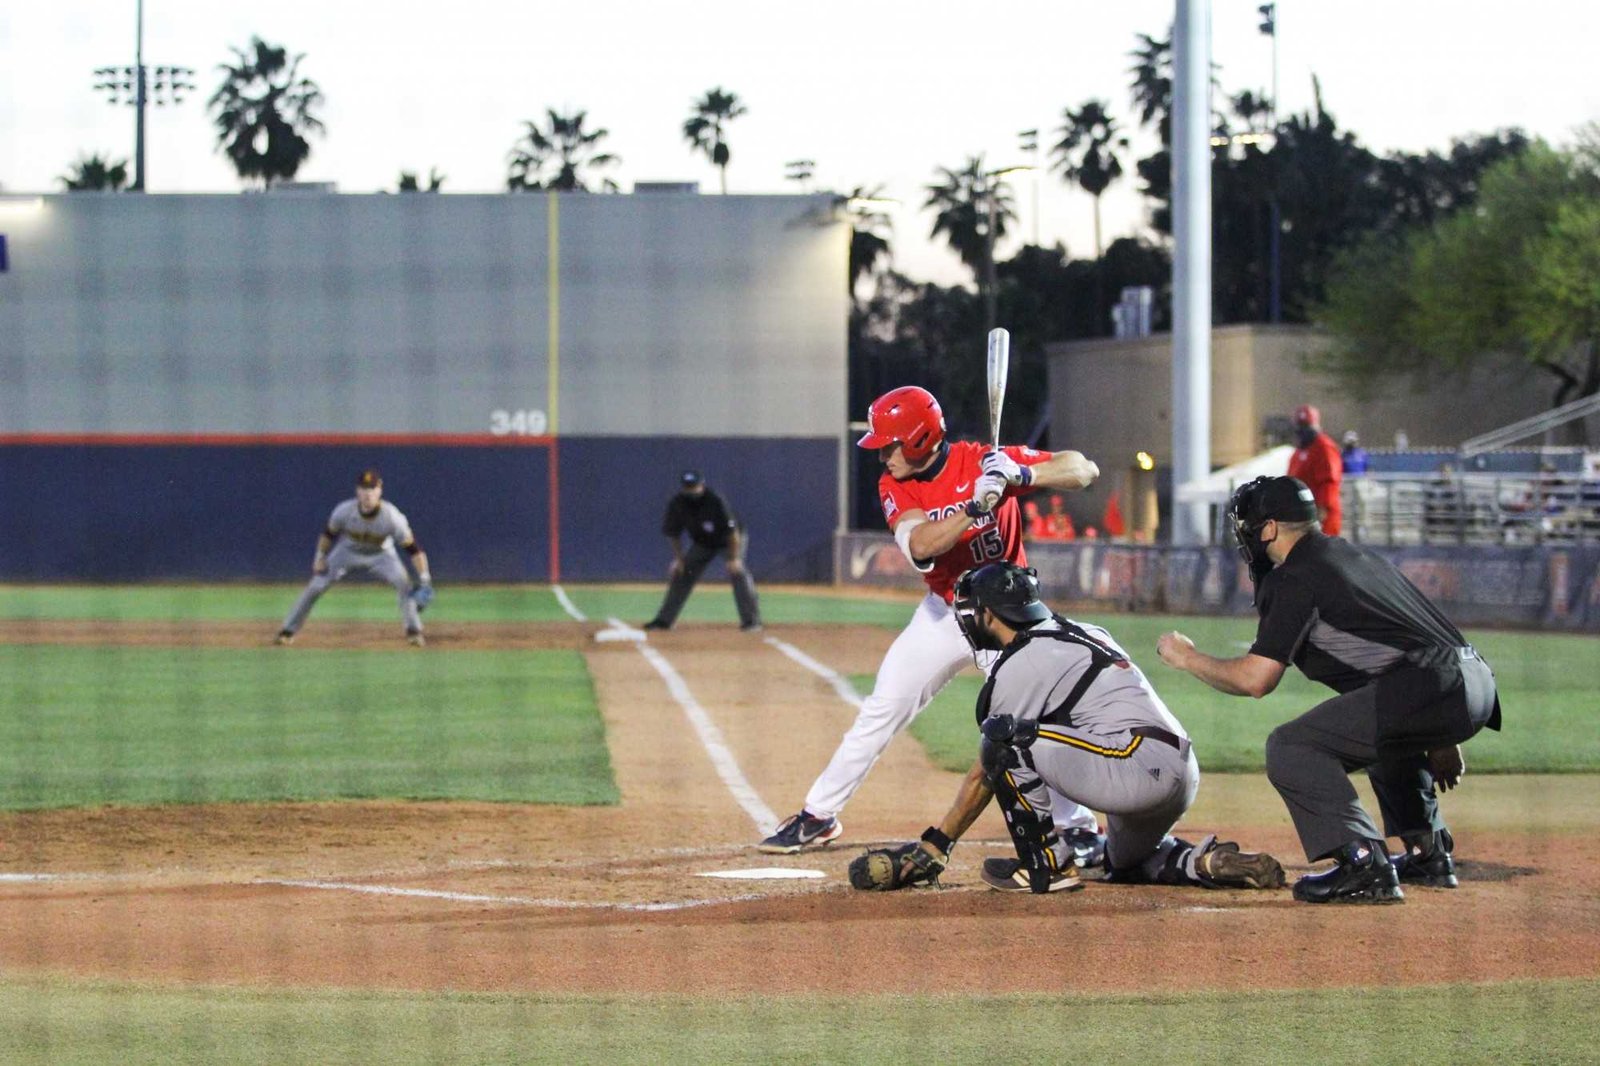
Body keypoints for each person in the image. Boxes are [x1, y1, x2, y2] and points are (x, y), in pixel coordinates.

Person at [758, 385, 1103, 855]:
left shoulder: (984, 460)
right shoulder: (895, 486)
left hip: (1009, 619)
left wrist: (1020, 472)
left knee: (1037, 717)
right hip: (945, 613)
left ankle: (1077, 825)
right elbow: (921, 545)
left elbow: (1084, 469)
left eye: (890, 444)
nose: (883, 456)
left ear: (919, 438)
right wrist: (974, 507)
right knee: (883, 707)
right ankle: (818, 816)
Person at [1155, 476, 1503, 904]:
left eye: (1247, 525)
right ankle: (1428, 854)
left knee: (1290, 747)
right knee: (1384, 738)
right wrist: (1441, 733)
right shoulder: (1352, 555)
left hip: (1432, 686)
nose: (1244, 535)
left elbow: (1255, 680)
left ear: (1269, 529)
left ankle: (1362, 864)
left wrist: (1187, 658)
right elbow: (1415, 639)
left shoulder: (1296, 577)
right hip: (1474, 680)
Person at [844, 561, 1286, 895]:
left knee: (1004, 742)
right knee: (1126, 864)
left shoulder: (1026, 660)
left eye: (971, 611)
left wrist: (937, 845)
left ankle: (1046, 864)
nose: (966, 619)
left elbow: (987, 768)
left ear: (991, 614)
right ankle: (1208, 863)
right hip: (1175, 771)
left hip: (1133, 766)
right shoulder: (1082, 630)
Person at [276, 469, 433, 647]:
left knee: (404, 584)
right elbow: (328, 534)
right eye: (364, 488)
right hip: (347, 551)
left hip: (382, 554)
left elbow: (414, 549)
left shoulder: (392, 517)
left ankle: (414, 631)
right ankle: (287, 631)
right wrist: (319, 557)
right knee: (315, 585)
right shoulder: (344, 510)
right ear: (357, 491)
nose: (368, 493)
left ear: (380, 490)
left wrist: (425, 578)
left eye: (372, 488)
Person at [643, 470, 762, 632]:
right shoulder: (677, 503)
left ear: (702, 485)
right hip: (703, 542)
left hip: (729, 540)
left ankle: (752, 621)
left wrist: (734, 558)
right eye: (687, 487)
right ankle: (665, 621)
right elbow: (673, 534)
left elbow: (732, 532)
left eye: (694, 487)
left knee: (738, 573)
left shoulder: (715, 500)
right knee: (682, 573)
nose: (691, 490)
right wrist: (679, 559)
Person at [1287, 404, 1344, 535]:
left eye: (1306, 427)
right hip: (1300, 518)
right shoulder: (1298, 453)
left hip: (1320, 518)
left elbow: (1329, 481)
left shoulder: (1324, 447)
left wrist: (1322, 509)